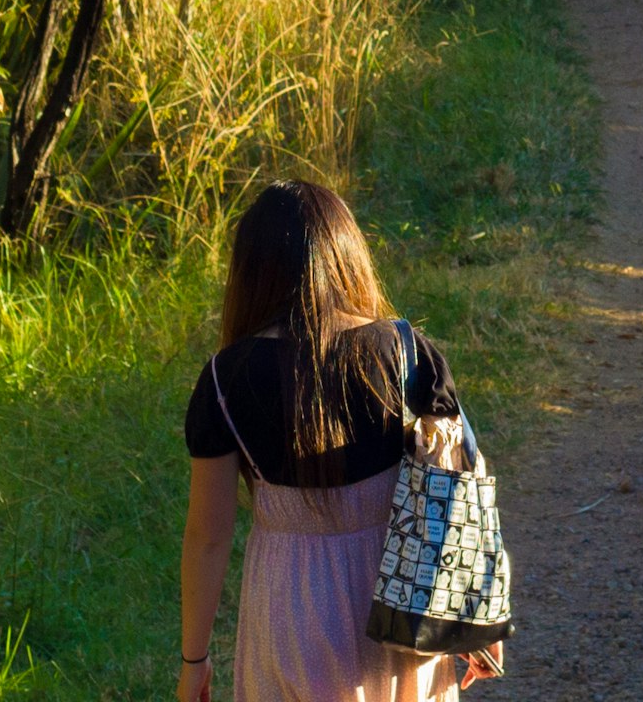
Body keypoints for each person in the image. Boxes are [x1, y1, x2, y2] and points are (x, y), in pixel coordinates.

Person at [179, 180, 494, 702]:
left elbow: (208, 538)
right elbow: (459, 478)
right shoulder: (406, 352)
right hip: (398, 607)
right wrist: (473, 614)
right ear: (346, 254)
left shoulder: (223, 379)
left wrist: (195, 660)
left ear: (251, 272)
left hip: (287, 614)